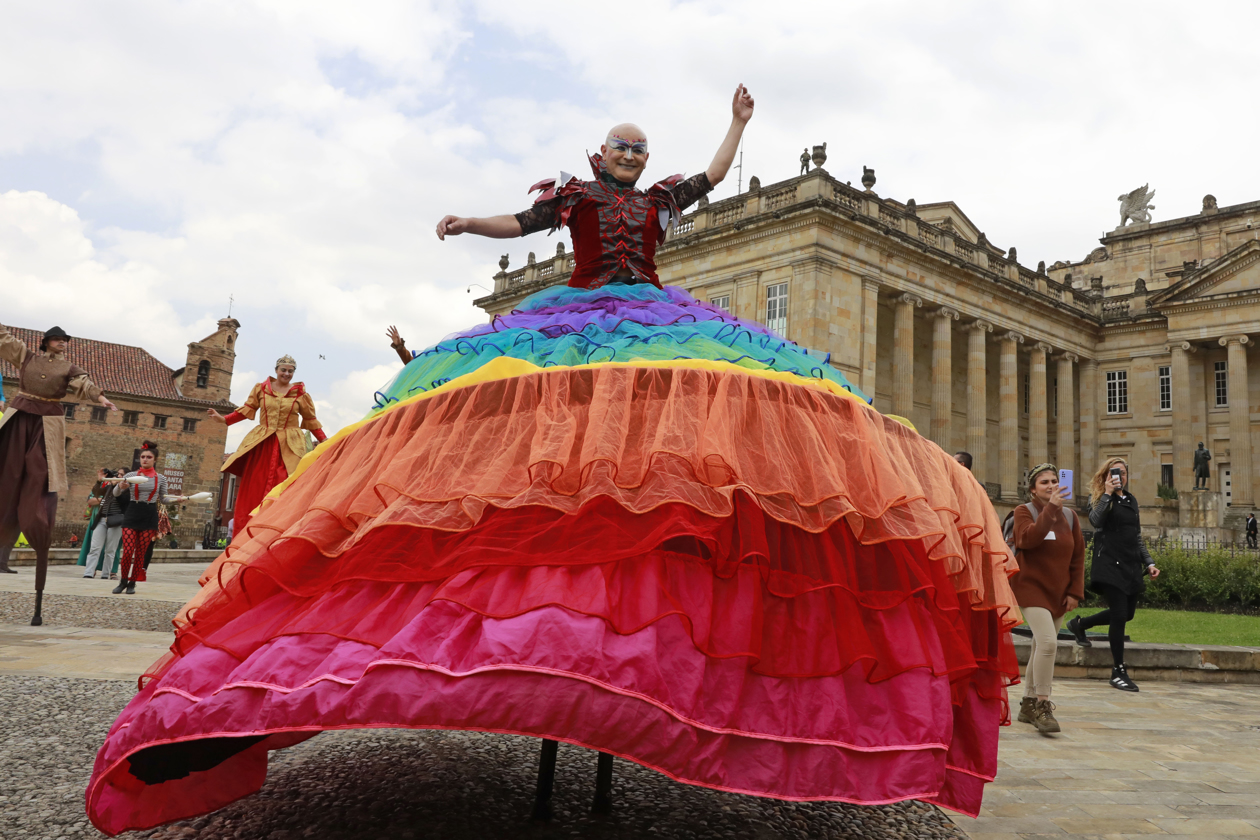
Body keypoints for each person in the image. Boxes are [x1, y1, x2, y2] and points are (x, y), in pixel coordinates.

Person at [88, 87, 1023, 835]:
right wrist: (463, 223)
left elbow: (709, 175)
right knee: (542, 457)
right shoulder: (574, 198)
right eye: (623, 149)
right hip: (571, 323)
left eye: (640, 152)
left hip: (656, 319)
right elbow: (521, 225)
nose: (634, 160)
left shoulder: (660, 202)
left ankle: (626, 652)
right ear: (596, 156)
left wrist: (736, 126)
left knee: (653, 461)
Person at [0, 323, 117, 624]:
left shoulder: (70, 368)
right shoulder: (26, 357)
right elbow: (5, 340)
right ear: (46, 342)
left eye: (64, 340)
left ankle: (34, 514)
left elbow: (85, 385)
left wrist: (101, 398)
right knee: (9, 471)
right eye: (56, 339)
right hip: (20, 415)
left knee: (41, 472)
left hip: (47, 423)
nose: (61, 343)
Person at [1067, 458, 1160, 691]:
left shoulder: (1132, 500)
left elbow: (1136, 536)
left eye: (1124, 472)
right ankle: (1118, 670)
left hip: (1130, 564)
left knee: (1127, 614)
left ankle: (1080, 624)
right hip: (1108, 562)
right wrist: (1107, 493)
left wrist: (1149, 562)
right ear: (1106, 476)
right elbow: (1096, 522)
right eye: (1115, 473)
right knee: (1119, 614)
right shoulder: (1099, 498)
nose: (1121, 477)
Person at [206, 355, 325, 537]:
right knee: (255, 486)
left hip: (290, 446)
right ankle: (248, 532)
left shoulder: (301, 395)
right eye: (283, 370)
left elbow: (311, 421)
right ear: (276, 370)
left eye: (290, 371)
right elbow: (246, 410)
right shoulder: (261, 389)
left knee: (287, 484)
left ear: (294, 373)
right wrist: (224, 419)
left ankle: (280, 531)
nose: (286, 373)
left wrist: (325, 441)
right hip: (263, 444)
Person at [1011, 464, 1085, 734]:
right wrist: (1050, 508)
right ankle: (1043, 704)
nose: (1052, 485)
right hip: (1030, 587)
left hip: (1058, 590)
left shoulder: (1070, 516)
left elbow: (1077, 557)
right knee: (1048, 643)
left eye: (1055, 480)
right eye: (1045, 482)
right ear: (1033, 488)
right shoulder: (1024, 511)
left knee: (1039, 647)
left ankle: (1028, 703)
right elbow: (1028, 539)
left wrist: (1075, 591)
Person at [107, 442, 189, 595]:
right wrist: (120, 487)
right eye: (143, 457)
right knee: (128, 550)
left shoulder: (161, 478)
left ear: (155, 459)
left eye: (149, 457)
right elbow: (116, 494)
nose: (145, 459)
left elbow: (164, 499)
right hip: (132, 511)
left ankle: (132, 583)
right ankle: (123, 581)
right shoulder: (130, 476)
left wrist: (177, 500)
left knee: (140, 552)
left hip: (149, 513)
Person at [80, 469, 125, 579]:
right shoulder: (109, 487)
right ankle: (89, 572)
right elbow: (96, 493)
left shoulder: (126, 490)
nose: (117, 476)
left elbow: (122, 500)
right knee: (95, 547)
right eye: (117, 474)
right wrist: (99, 481)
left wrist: (118, 487)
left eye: (121, 475)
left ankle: (105, 574)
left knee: (110, 550)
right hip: (101, 519)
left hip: (116, 520)